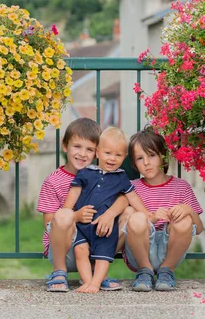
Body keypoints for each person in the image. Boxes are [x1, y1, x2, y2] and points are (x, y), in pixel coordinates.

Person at [37, 118, 130, 292]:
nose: (83, 154)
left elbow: (125, 197)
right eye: (77, 147)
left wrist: (110, 214)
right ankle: (59, 271)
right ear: (65, 146)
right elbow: (49, 221)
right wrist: (76, 216)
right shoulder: (53, 181)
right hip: (66, 249)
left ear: (97, 152)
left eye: (89, 149)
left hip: (96, 242)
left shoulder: (104, 175)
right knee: (64, 214)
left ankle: (95, 273)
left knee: (129, 213)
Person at [63, 127, 150, 293]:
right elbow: (74, 192)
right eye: (108, 153)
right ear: (97, 152)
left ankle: (95, 283)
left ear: (124, 157)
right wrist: (67, 213)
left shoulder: (121, 177)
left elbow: (132, 197)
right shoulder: (85, 172)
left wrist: (146, 213)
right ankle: (87, 282)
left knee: (103, 256)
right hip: (82, 225)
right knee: (80, 250)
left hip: (104, 228)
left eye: (118, 155)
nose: (112, 158)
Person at [123, 126, 203, 292]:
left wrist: (188, 209)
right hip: (139, 252)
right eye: (140, 158)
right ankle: (145, 271)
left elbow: (199, 228)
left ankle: (166, 271)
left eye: (151, 155)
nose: (146, 162)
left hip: (170, 252)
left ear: (162, 156)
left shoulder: (181, 186)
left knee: (184, 220)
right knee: (136, 217)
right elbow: (125, 222)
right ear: (134, 164)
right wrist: (151, 219)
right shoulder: (131, 188)